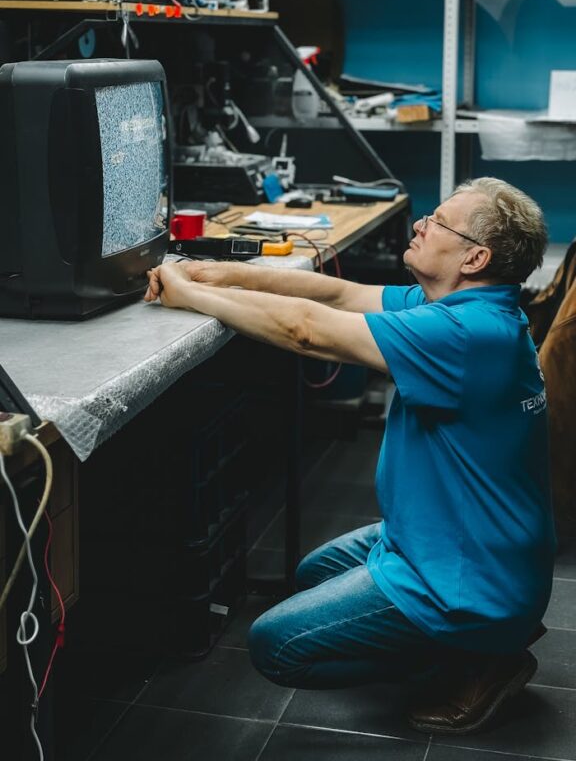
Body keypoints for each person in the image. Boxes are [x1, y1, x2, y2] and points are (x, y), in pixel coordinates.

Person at [145, 177, 555, 735]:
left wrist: (185, 294)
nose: (420, 223)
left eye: (437, 221)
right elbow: (336, 295)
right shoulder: (462, 306)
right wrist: (214, 273)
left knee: (276, 645)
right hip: (447, 539)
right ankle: (468, 641)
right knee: (314, 573)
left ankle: (478, 656)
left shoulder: (463, 333)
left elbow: (307, 331)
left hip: (467, 578)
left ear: (475, 257)